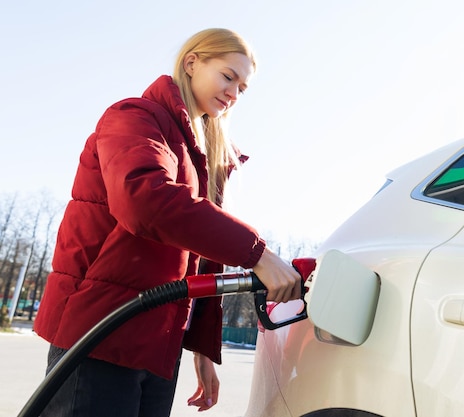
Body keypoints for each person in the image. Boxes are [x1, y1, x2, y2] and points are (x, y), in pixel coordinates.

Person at [33, 28, 301, 416]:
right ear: (192, 63)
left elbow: (199, 255)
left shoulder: (202, 157)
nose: (233, 94)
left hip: (158, 346)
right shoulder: (135, 117)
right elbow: (145, 200)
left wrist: (200, 348)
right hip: (101, 335)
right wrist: (256, 253)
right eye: (228, 76)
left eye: (243, 88)